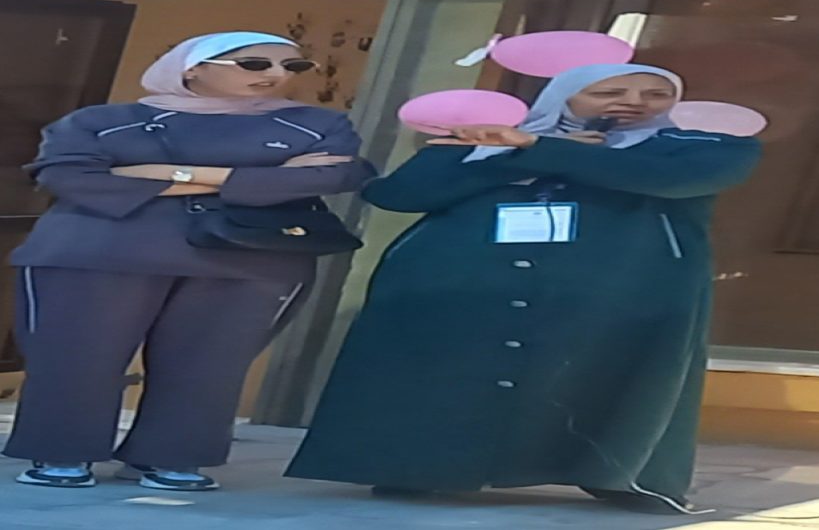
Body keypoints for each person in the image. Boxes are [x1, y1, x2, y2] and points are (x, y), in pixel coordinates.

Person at [286, 64, 762, 513]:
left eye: (657, 94)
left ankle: (618, 478)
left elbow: (675, 180)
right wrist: (514, 155)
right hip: (460, 280)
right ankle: (415, 468)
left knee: (616, 375)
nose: (635, 101)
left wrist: (543, 149)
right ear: (561, 97)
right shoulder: (482, 142)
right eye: (609, 92)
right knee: (448, 374)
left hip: (620, 287)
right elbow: (398, 195)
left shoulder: (701, 145)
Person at [4, 31, 374, 491]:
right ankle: (61, 454)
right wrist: (250, 181)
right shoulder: (101, 121)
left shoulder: (316, 124)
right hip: (99, 254)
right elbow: (70, 177)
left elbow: (335, 176)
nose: (277, 74)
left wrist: (170, 175)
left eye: (293, 66)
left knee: (209, 365)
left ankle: (171, 457)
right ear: (193, 68)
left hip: (250, 260)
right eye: (255, 64)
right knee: (76, 357)